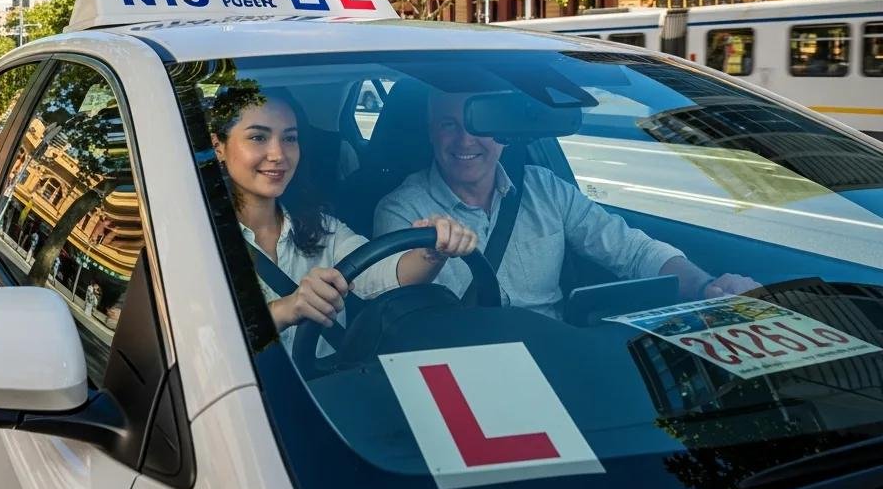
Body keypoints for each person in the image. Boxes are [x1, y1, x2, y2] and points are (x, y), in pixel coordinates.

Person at [374, 92, 758, 320]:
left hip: (555, 359)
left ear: (505, 134)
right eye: (448, 125)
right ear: (430, 132)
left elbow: (632, 249)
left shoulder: (545, 190)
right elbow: (395, 312)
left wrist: (706, 286)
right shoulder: (403, 210)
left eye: (480, 124)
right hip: (460, 371)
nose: (465, 140)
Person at [209, 85, 478, 354]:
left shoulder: (323, 228)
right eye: (258, 137)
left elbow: (385, 274)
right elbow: (197, 344)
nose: (278, 154)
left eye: (290, 139)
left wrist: (429, 253)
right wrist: (282, 311)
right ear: (218, 146)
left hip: (331, 391)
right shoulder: (195, 237)